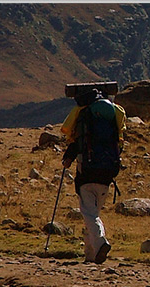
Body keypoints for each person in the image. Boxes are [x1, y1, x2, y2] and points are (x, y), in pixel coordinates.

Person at [61, 88, 126, 264]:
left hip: (87, 175)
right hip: (107, 176)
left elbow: (74, 146)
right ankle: (90, 256)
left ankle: (100, 242)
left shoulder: (84, 124)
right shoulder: (111, 124)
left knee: (90, 215)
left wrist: (67, 159)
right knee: (93, 214)